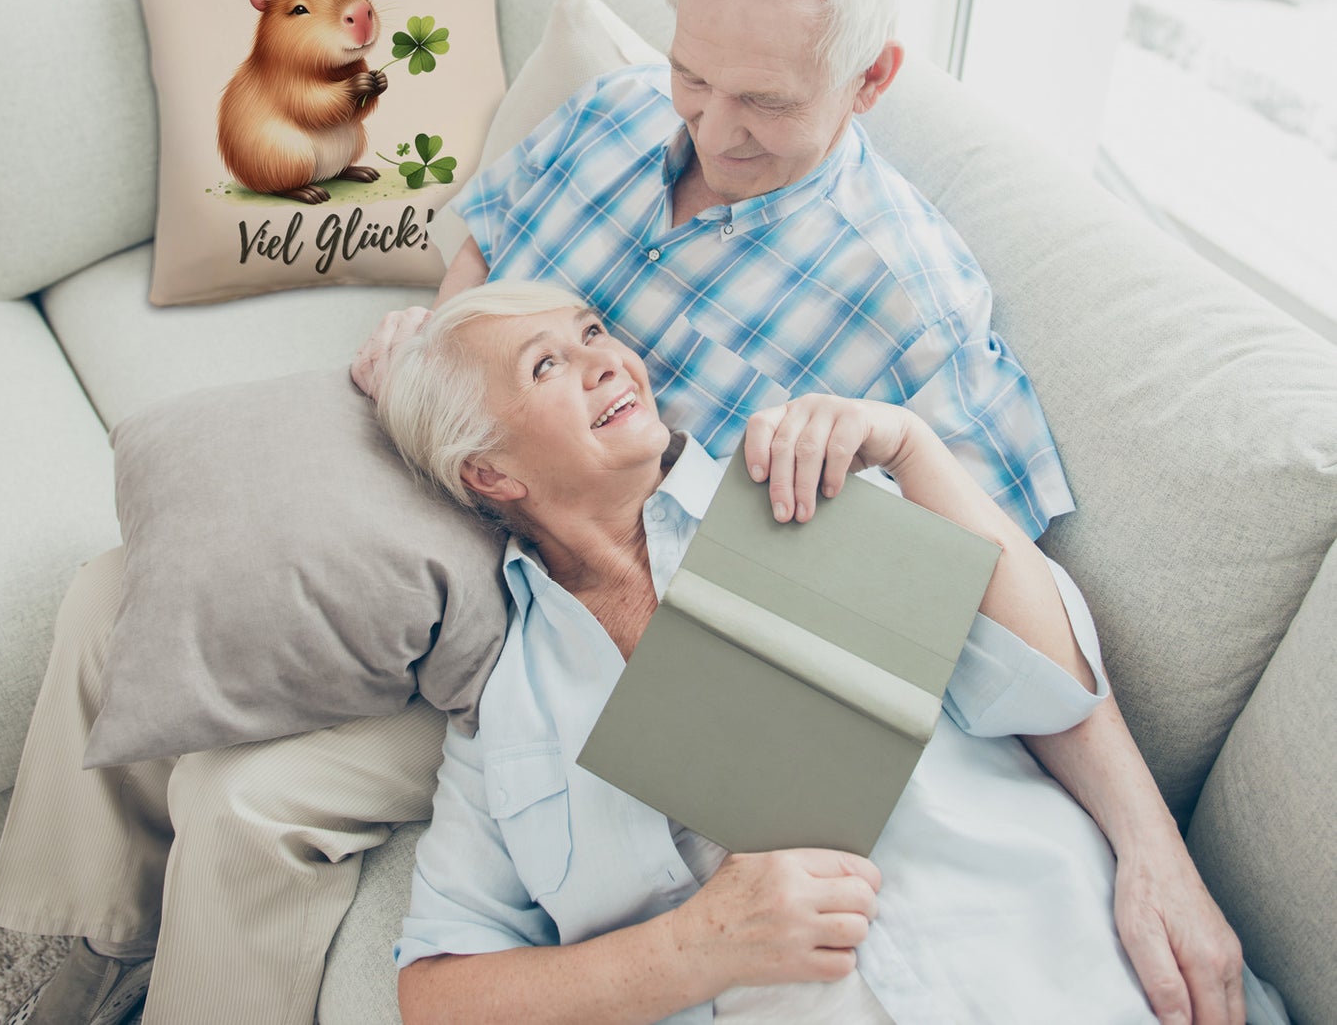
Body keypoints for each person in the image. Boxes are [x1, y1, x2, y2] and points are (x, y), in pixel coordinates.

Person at [0, 0, 1240, 1025]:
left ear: (868, 81)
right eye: (696, 75)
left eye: (763, 100)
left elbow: (995, 600)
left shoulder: (908, 304)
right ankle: (84, 944)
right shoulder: (618, 112)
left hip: (585, 593)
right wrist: (438, 343)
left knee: (247, 798)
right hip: (473, 468)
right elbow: (482, 244)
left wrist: (1152, 847)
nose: (710, 125)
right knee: (121, 587)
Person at [378, 280, 1273, 1025]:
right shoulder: (507, 712)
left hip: (1066, 972)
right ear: (489, 473)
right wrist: (694, 947)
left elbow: (1050, 685)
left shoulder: (800, 487)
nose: (607, 359)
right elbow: (437, 993)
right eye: (547, 364)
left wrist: (913, 448)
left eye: (592, 332)